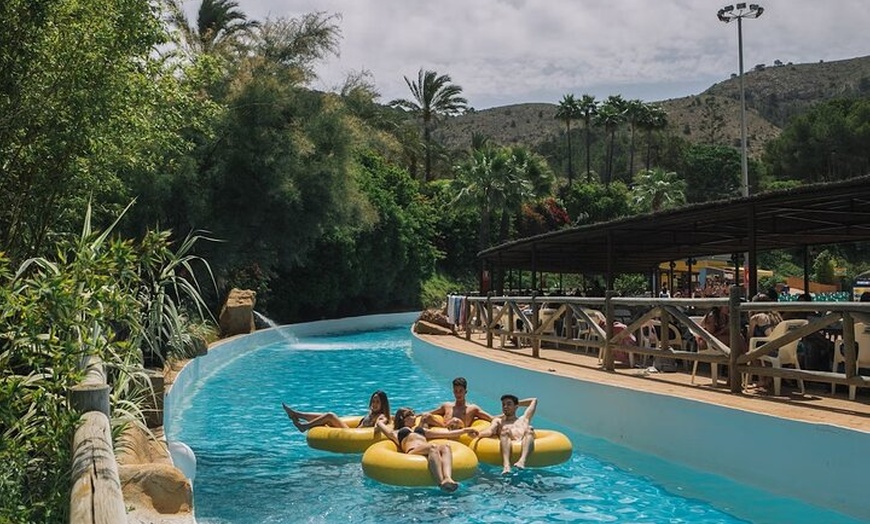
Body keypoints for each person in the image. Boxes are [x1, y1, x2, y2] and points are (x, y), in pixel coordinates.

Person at [375, 407, 478, 492]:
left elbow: (448, 433)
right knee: (432, 447)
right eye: (411, 414)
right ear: (403, 418)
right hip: (413, 451)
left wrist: (466, 430)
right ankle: (440, 482)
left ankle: (448, 478)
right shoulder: (398, 433)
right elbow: (384, 428)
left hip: (426, 449)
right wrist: (380, 422)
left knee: (446, 447)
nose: (415, 417)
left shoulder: (421, 430)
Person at [475, 395, 538, 474]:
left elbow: (534, 400)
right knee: (505, 430)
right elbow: (490, 431)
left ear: (516, 406)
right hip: (508, 442)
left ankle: (522, 461)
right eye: (503, 404)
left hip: (525, 442)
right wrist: (478, 434)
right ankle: (506, 465)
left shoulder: (524, 419)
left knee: (529, 429)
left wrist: (516, 403)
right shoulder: (499, 421)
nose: (505, 407)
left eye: (508, 404)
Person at [282, 390, 390, 432]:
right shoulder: (372, 413)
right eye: (373, 401)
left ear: (383, 404)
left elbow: (381, 424)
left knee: (330, 415)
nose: (374, 404)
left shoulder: (381, 416)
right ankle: (296, 414)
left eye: (377, 402)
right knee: (326, 417)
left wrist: (380, 424)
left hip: (352, 435)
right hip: (352, 431)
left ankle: (304, 426)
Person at [423, 377, 493, 429]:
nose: (458, 394)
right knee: (426, 415)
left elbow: (491, 418)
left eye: (460, 391)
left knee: (455, 421)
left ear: (465, 392)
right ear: (453, 392)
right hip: (443, 431)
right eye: (456, 391)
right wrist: (416, 415)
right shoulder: (446, 405)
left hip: (460, 436)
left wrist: (503, 416)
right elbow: (430, 413)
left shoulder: (473, 408)